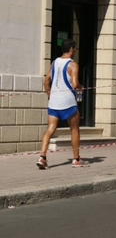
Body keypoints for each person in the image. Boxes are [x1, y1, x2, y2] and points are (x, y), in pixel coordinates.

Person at [36, 39, 89, 169]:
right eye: (74, 48)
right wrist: (81, 87)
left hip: (54, 102)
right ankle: (76, 159)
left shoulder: (54, 62)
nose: (75, 51)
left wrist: (49, 94)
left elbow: (46, 81)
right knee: (74, 129)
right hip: (68, 102)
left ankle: (42, 157)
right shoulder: (73, 64)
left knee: (50, 129)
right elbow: (75, 84)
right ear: (71, 49)